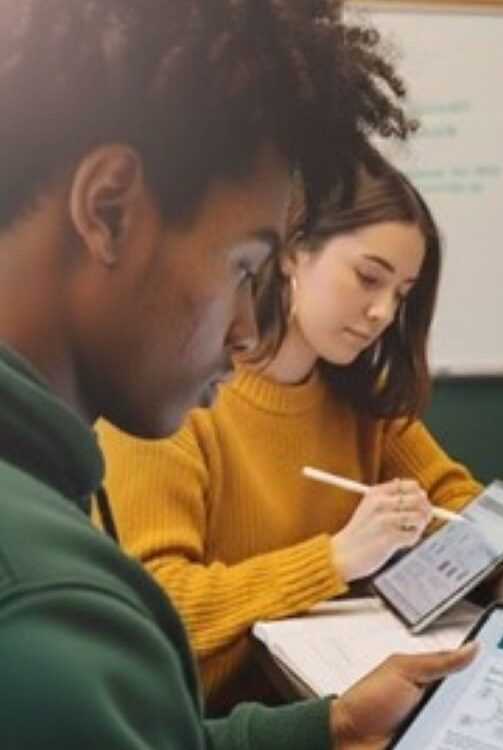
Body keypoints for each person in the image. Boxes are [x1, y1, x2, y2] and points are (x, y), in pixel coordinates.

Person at [0, 1, 476, 748]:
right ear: (110, 210)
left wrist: (332, 724)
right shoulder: (46, 615)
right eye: (244, 266)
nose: (248, 330)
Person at [96, 159, 483, 711]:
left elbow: (458, 502)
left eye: (402, 293)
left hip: (320, 701)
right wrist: (337, 559)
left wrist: (429, 533)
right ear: (292, 252)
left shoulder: (361, 397)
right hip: (202, 724)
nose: (381, 313)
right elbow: (161, 602)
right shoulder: (174, 397)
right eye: (368, 278)